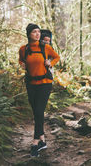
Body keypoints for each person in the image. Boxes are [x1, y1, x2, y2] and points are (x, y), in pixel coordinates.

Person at [19, 23, 60, 157]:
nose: (37, 34)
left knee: (38, 110)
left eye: (38, 32)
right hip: (31, 83)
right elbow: (21, 60)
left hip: (45, 83)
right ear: (29, 34)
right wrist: (22, 64)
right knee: (36, 112)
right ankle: (42, 140)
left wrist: (50, 63)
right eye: (34, 32)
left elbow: (57, 57)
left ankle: (35, 143)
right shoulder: (23, 49)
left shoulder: (46, 47)